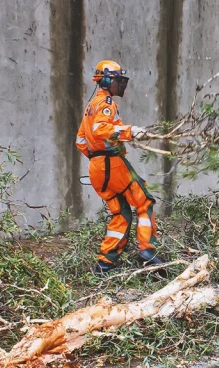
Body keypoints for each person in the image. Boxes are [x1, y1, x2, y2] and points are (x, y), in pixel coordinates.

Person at [76, 60, 164, 274]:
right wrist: (130, 131)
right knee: (144, 202)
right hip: (111, 164)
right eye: (118, 80)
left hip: (97, 168)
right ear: (106, 80)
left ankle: (105, 263)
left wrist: (97, 159)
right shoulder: (105, 103)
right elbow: (100, 129)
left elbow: (80, 141)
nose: (121, 84)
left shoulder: (91, 106)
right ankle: (148, 250)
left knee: (121, 213)